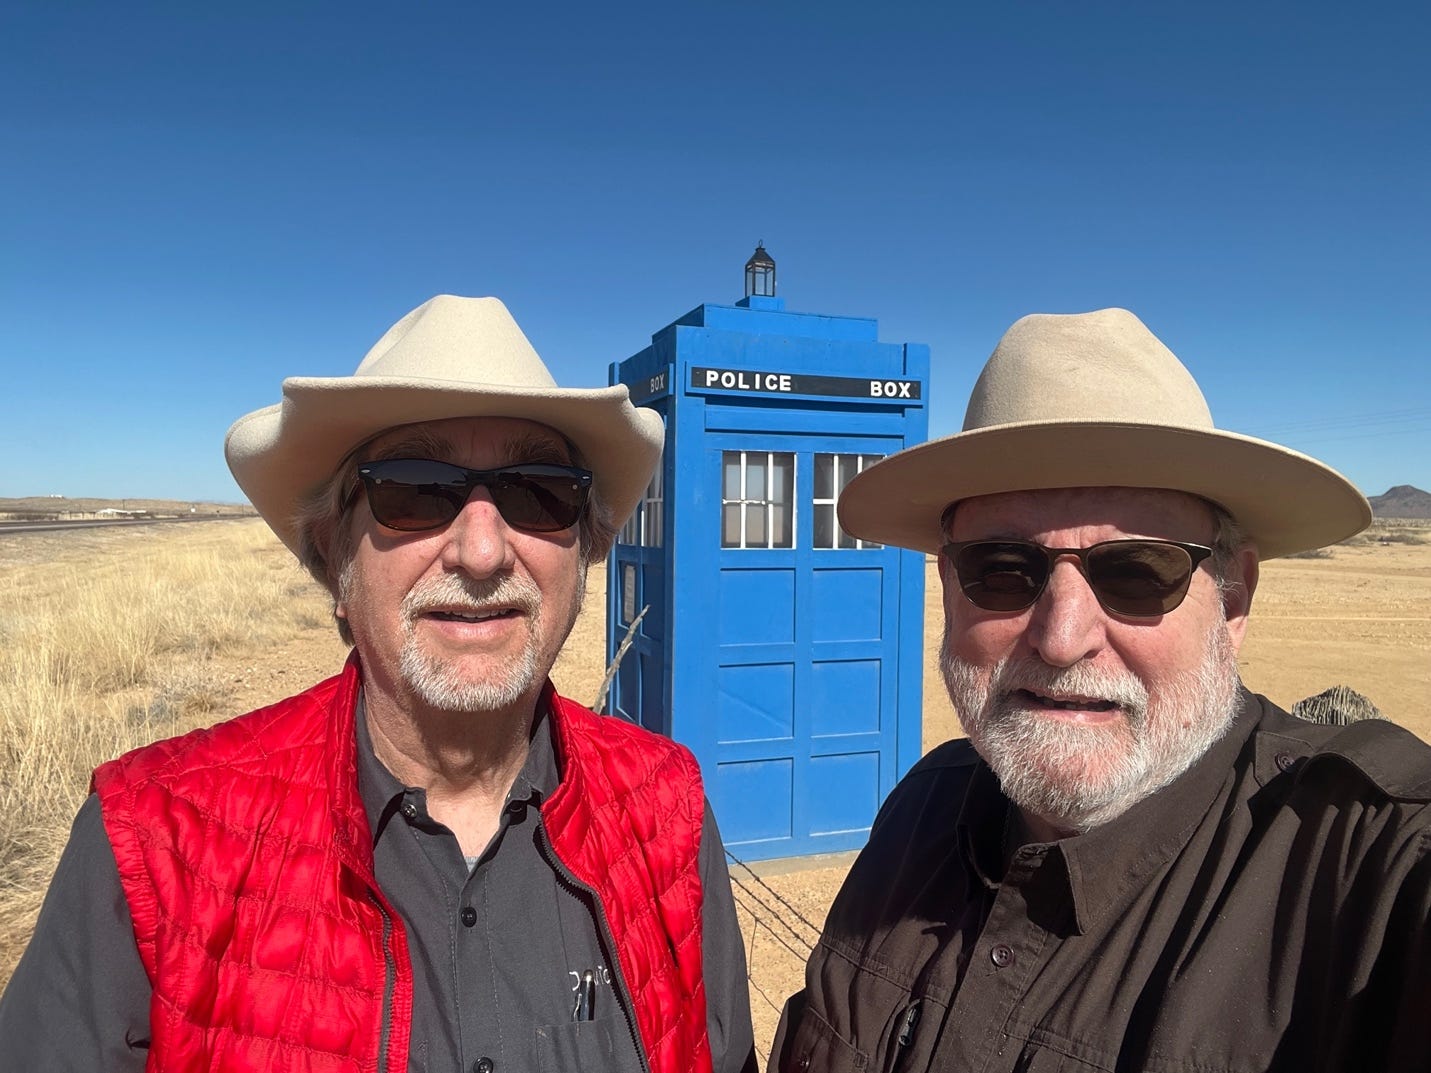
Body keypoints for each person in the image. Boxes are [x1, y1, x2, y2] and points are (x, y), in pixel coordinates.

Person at [0, 295, 756, 1073]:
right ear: (335, 559)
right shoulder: (155, 842)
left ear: (582, 551)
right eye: (416, 489)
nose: (483, 550)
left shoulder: (667, 810)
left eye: (537, 489)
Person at [770, 308, 1430, 1073]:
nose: (1060, 636)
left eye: (1135, 572)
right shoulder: (922, 809)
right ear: (950, 589)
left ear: (1234, 598)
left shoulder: (1364, 867)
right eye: (1002, 569)